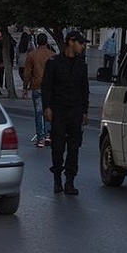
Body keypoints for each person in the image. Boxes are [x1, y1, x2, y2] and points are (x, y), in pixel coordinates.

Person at [41, 30, 90, 195]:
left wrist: (85, 111)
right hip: (59, 110)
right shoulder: (54, 62)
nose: (82, 47)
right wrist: (46, 107)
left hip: (75, 110)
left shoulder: (81, 65)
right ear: (71, 42)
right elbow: (46, 86)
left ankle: (70, 180)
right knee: (58, 146)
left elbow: (85, 89)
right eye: (80, 43)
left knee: (74, 147)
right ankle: (57, 179)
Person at [23, 33, 56, 147]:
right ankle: (48, 135)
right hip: (51, 87)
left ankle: (40, 138)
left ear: (37, 42)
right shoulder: (52, 54)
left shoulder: (32, 55)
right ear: (47, 42)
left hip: (37, 86)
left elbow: (27, 72)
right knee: (49, 110)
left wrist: (25, 87)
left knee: (39, 113)